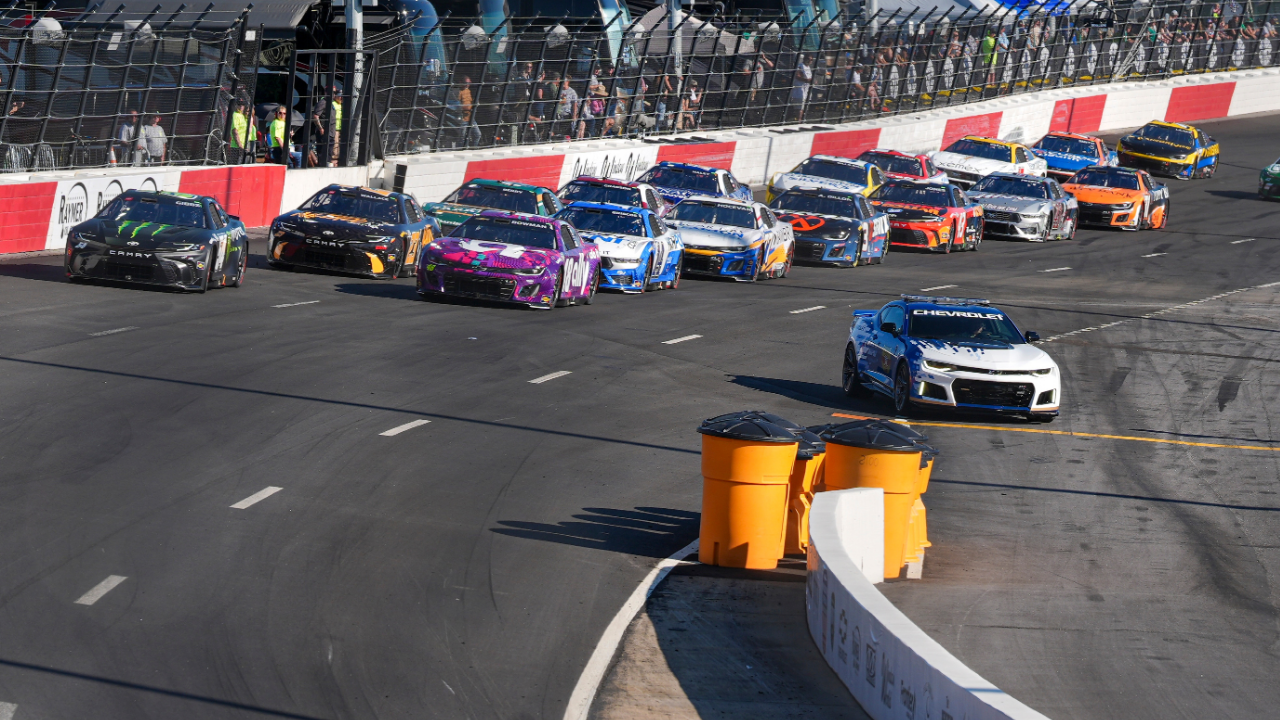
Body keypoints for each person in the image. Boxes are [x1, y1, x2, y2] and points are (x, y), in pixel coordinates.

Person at [554, 77, 578, 141]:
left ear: (568, 82)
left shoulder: (572, 91)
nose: (563, 83)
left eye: (564, 81)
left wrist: (574, 115)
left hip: (566, 113)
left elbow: (575, 104)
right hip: (557, 112)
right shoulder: (558, 90)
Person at [791, 54, 812, 122]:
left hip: (806, 91)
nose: (809, 61)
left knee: (804, 108)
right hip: (799, 91)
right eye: (808, 59)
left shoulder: (808, 68)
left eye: (811, 60)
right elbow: (797, 76)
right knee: (799, 108)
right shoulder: (800, 66)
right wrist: (806, 80)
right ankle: (799, 121)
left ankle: (802, 120)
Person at [330, 90, 344, 164]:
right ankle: (334, 159)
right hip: (335, 127)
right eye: (339, 96)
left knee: (340, 144)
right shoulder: (333, 104)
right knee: (335, 144)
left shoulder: (342, 105)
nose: (341, 98)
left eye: (342, 96)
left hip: (341, 127)